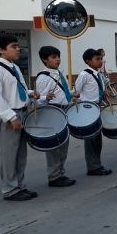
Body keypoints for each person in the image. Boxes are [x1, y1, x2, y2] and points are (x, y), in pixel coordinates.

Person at [0, 34, 40, 201]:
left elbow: (18, 89)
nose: (18, 49)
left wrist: (31, 93)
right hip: (9, 115)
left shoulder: (13, 67)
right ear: (1, 50)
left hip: (21, 112)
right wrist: (11, 117)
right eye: (14, 46)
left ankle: (19, 186)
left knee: (20, 153)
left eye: (18, 46)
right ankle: (10, 189)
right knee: (9, 154)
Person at [35, 46, 78, 187]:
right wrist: (44, 97)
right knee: (54, 147)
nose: (58, 59)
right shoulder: (43, 77)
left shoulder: (58, 73)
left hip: (63, 110)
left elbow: (61, 92)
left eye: (58, 56)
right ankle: (54, 176)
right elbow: (38, 100)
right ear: (44, 60)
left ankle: (60, 173)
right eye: (53, 57)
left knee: (63, 145)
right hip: (53, 112)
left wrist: (72, 94)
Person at [74, 49, 113, 176]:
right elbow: (76, 92)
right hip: (88, 109)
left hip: (98, 108)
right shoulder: (84, 75)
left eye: (101, 59)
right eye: (97, 59)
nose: (100, 61)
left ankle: (97, 164)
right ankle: (93, 167)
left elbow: (98, 90)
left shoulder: (98, 74)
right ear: (88, 61)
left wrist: (104, 94)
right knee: (90, 139)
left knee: (97, 139)